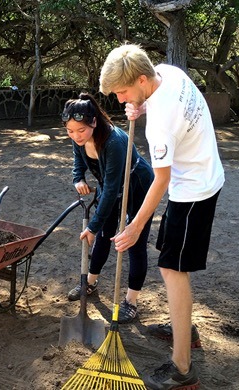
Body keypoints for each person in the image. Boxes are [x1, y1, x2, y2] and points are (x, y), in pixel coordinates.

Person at [100, 44, 225, 389]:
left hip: (194, 190)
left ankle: (182, 369)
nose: (120, 98)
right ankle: (184, 329)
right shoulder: (168, 72)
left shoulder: (161, 124)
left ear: (141, 79)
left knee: (173, 269)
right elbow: (148, 97)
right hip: (198, 174)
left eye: (124, 92)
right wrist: (138, 103)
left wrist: (136, 226)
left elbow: (162, 179)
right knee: (171, 263)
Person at [61, 92, 154, 324]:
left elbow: (112, 190)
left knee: (133, 241)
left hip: (138, 186)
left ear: (93, 122)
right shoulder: (79, 139)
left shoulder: (114, 142)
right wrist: (78, 179)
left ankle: (131, 302)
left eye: (80, 131)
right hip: (110, 185)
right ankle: (90, 283)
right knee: (104, 235)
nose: (75, 136)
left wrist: (92, 226)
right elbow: (78, 162)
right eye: (70, 131)